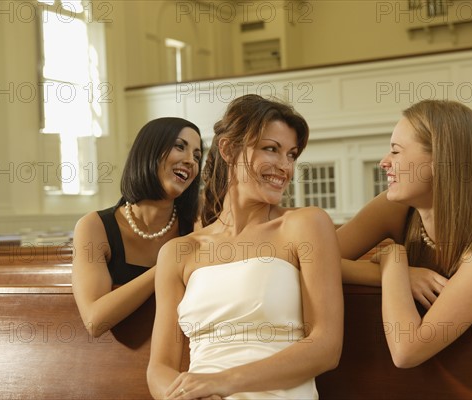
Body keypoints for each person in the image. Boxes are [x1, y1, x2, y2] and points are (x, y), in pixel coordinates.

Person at [147, 94, 344, 400]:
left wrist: (222, 383)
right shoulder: (178, 252)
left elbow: (325, 347)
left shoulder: (305, 225)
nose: (284, 166)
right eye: (271, 149)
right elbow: (159, 368)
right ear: (228, 148)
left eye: (291, 155)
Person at [337, 99, 472, 368]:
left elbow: (407, 351)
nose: (384, 162)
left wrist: (393, 259)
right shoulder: (393, 208)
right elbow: (310, 260)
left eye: (396, 152)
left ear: (439, 163)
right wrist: (403, 273)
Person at [72, 117, 203, 338]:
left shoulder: (200, 216)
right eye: (179, 147)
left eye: (197, 156)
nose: (190, 160)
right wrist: (169, 264)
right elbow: (95, 320)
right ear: (148, 152)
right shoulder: (94, 227)